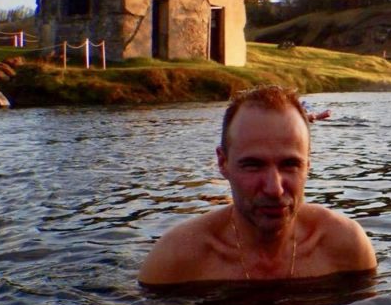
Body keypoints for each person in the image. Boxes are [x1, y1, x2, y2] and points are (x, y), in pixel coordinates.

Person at [139, 85, 377, 284]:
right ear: (223, 163)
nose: (274, 189)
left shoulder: (346, 247)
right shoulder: (175, 261)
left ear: (307, 165)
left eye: (290, 164)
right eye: (253, 165)